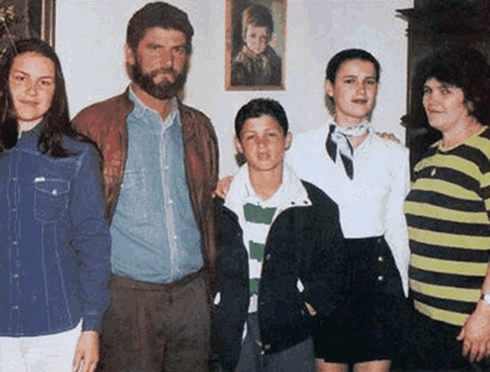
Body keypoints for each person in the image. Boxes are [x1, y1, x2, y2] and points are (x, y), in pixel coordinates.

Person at [72, 2, 219, 371]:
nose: (168, 60)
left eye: (178, 50)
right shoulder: (93, 126)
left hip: (191, 301)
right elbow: (72, 226)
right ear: (130, 54)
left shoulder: (200, 129)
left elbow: (207, 213)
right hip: (126, 301)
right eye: (156, 48)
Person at [287, 49, 410, 371]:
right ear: (330, 87)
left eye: (369, 82)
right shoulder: (298, 149)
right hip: (325, 279)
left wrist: (403, 295)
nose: (361, 90)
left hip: (378, 279)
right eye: (350, 81)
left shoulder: (395, 153)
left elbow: (397, 226)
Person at [0, 38, 110, 372]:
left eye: (43, 82)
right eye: (21, 78)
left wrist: (92, 327)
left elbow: (94, 246)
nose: (32, 90)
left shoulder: (78, 156)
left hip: (59, 332)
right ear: (5, 82)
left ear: (55, 91)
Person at [212, 98, 345, 372]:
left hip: (291, 332)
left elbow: (334, 267)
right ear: (238, 144)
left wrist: (305, 306)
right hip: (234, 329)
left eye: (271, 134)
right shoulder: (220, 205)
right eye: (251, 136)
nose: (262, 145)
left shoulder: (315, 204)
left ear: (287, 139)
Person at [404, 47, 490, 371]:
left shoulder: (486, 151)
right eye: (427, 90)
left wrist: (486, 312)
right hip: (424, 321)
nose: (431, 100)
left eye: (445, 90)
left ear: (471, 97)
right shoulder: (426, 157)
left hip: (470, 327)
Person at [231, 3, 282, 87]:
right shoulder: (238, 66)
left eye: (263, 37)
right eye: (253, 36)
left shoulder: (275, 61)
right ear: (244, 36)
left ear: (268, 38)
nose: (258, 42)